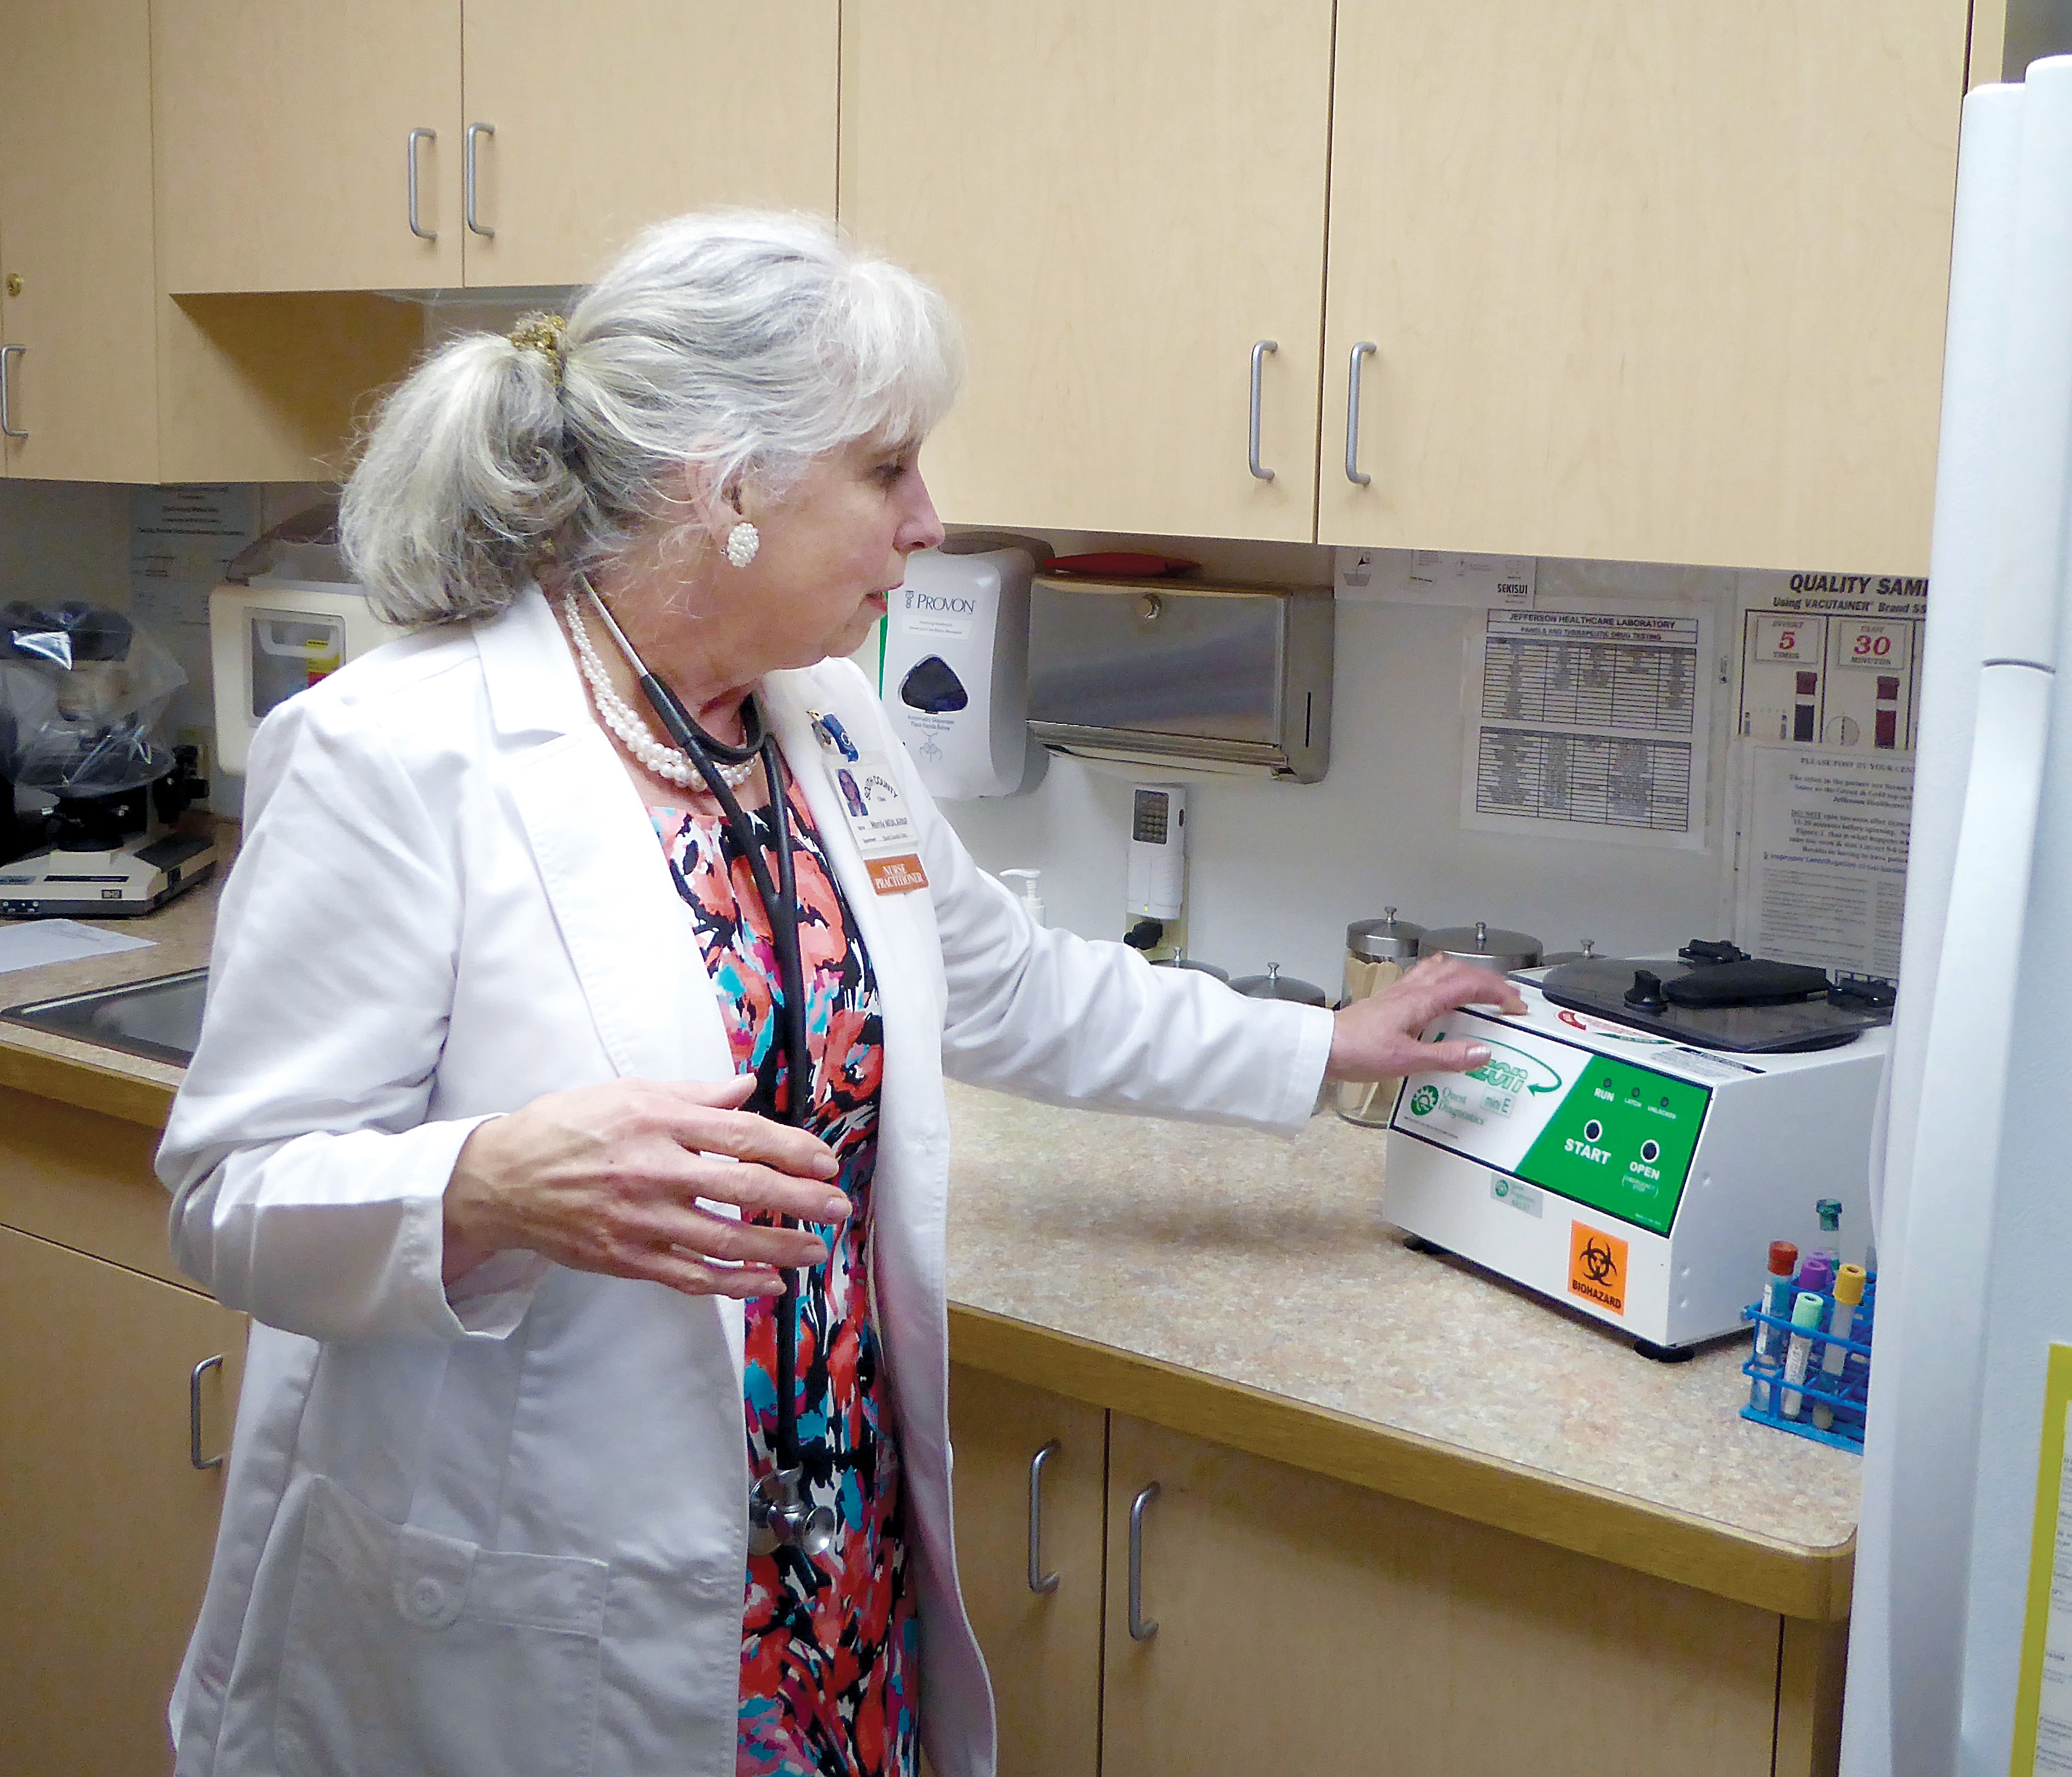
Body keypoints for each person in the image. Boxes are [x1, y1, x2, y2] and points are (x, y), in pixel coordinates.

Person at [156, 209, 1520, 1777]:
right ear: (723, 484)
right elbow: (233, 1191)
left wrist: (1327, 1042)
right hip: (550, 1593)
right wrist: (494, 1184)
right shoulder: (401, 752)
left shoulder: (829, 726)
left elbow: (1011, 990)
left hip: (831, 1551)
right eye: (887, 472)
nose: (929, 522)